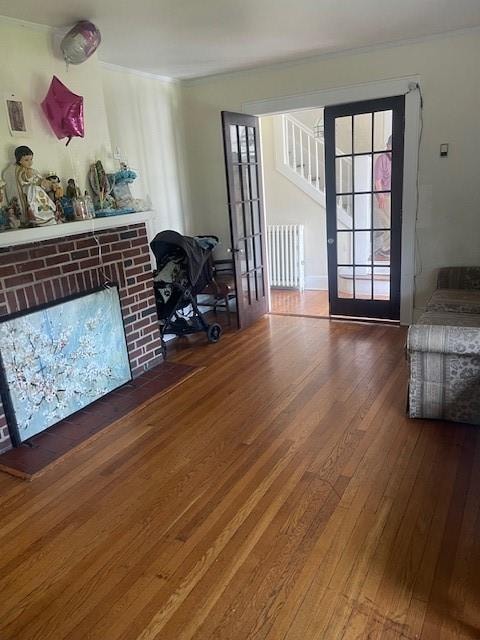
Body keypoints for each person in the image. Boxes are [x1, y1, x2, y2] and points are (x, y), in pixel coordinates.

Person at [6, 146, 57, 226]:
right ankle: (37, 217)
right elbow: (24, 179)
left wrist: (46, 182)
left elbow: (39, 179)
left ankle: (47, 216)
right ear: (19, 160)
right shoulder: (21, 171)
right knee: (34, 196)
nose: (30, 162)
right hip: (30, 194)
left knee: (43, 199)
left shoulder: (32, 170)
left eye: (31, 159)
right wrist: (29, 177)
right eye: (26, 160)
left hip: (38, 192)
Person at [373, 135, 392, 261]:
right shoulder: (382, 159)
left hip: (392, 194)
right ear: (388, 145)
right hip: (384, 196)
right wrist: (381, 197)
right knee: (386, 223)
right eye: (391, 146)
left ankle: (388, 248)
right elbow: (378, 180)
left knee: (391, 223)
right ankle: (386, 249)